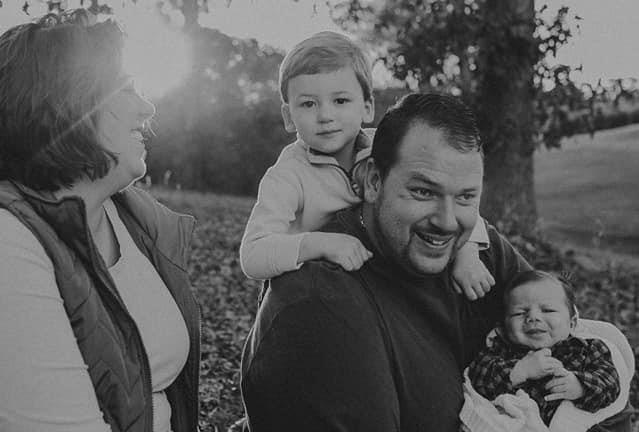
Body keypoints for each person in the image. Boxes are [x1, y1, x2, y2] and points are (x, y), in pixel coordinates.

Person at [239, 93, 632, 432]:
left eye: (465, 197)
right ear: (373, 182)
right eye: (423, 192)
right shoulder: (320, 306)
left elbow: (590, 376)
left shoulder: (482, 251)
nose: (447, 221)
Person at [0, 10, 200, 432]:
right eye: (125, 88)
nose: (147, 107)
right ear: (64, 100)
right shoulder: (9, 243)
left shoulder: (136, 220)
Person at [239, 31, 494, 300]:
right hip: (311, 295)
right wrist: (320, 243)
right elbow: (253, 254)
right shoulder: (288, 176)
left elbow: (450, 190)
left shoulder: (384, 146)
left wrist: (468, 255)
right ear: (289, 117)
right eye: (308, 104)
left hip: (379, 279)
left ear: (367, 107)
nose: (325, 115)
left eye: (340, 101)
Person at [466, 270, 627, 430]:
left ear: (572, 323)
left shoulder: (586, 349)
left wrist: (580, 386)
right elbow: (479, 378)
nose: (533, 318)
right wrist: (520, 371)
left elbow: (610, 383)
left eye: (548, 310)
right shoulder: (501, 349)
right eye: (519, 313)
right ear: (504, 326)